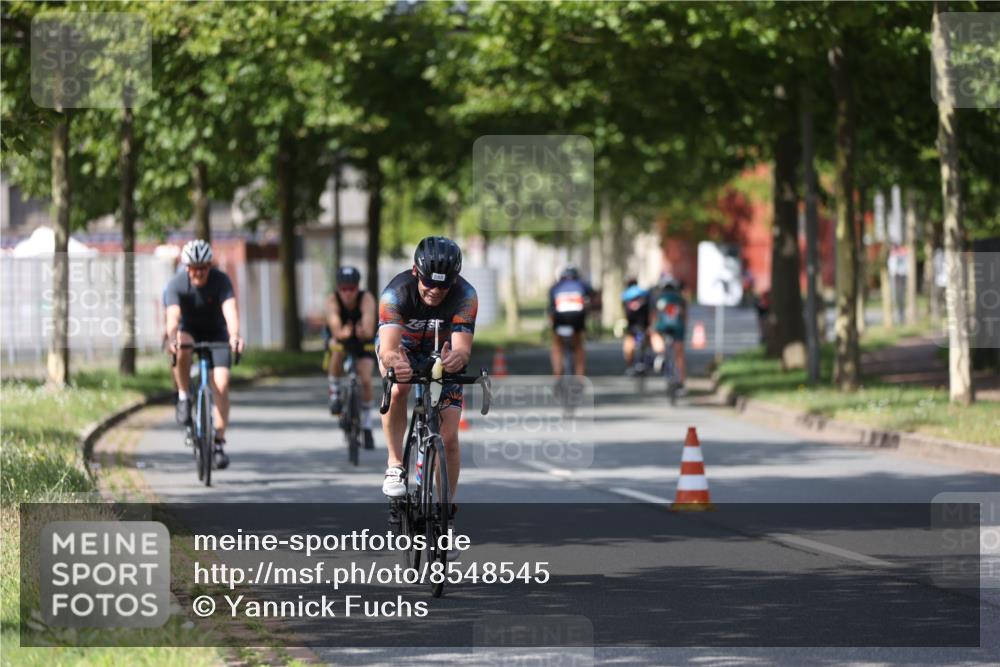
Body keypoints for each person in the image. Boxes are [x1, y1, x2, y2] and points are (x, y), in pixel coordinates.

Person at [377, 236, 478, 502]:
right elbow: (388, 350)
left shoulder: (466, 296)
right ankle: (395, 465)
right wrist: (394, 362)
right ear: (415, 272)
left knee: (449, 438)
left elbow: (462, 349)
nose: (435, 290)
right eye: (429, 283)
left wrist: (457, 359)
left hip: (442, 353)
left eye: (443, 285)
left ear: (454, 280)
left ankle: (446, 508)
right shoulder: (395, 293)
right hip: (402, 349)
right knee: (398, 389)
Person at [164, 240, 245, 469]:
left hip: (217, 333)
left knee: (221, 384)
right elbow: (173, 317)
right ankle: (183, 395)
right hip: (189, 330)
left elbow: (230, 312)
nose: (199, 272)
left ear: (210, 266)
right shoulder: (176, 284)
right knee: (181, 345)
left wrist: (235, 336)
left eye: (203, 268)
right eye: (194, 268)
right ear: (186, 268)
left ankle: (218, 441)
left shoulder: (221, 281)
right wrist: (171, 337)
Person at [326, 265, 377, 449]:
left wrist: (363, 332)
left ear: (358, 287)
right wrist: (342, 333)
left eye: (352, 288)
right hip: (341, 338)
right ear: (338, 288)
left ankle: (367, 426)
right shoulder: (332, 299)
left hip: (363, 341)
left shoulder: (366, 298)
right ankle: (335, 392)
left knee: (366, 380)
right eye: (344, 289)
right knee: (337, 350)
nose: (348, 293)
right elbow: (335, 325)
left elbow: (369, 326)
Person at [548, 265, 596, 376]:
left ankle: (557, 372)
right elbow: (593, 296)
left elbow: (551, 308)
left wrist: (552, 324)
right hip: (577, 316)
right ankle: (580, 375)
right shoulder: (581, 284)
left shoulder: (556, 286)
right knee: (578, 344)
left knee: (557, 344)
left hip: (560, 316)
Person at [649, 274, 687, 390]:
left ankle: (660, 354)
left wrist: (652, 328)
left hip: (662, 327)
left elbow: (654, 315)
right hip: (678, 327)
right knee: (679, 355)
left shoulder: (658, 298)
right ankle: (681, 382)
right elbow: (684, 316)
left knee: (654, 334)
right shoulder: (680, 299)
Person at [621, 278, 651, 374]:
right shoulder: (643, 293)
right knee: (644, 343)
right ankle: (643, 361)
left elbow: (624, 310)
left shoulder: (626, 295)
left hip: (632, 324)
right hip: (643, 324)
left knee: (629, 345)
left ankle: (629, 366)